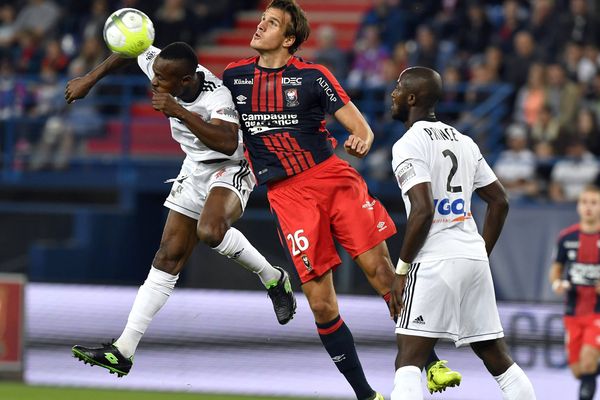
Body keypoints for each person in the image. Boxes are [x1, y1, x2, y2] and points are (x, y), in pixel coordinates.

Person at [222, 1, 460, 399]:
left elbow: (361, 128)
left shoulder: (314, 77)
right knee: (321, 305)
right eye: (262, 18)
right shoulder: (233, 77)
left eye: (272, 22)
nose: (261, 25)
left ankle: (432, 363)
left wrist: (362, 141)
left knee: (382, 274)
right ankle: (367, 395)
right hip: (287, 195)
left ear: (290, 38)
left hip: (332, 179)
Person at [64, 41, 296, 377]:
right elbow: (132, 48)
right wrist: (90, 78)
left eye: (163, 78)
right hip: (195, 168)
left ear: (186, 80)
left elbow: (229, 141)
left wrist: (179, 111)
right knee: (167, 257)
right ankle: (123, 350)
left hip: (230, 166)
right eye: (154, 73)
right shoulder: (165, 67)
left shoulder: (218, 96)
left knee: (210, 231)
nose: (154, 81)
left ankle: (272, 277)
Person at [388, 66, 536, 400]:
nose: (392, 95)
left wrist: (401, 270)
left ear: (412, 98)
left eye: (398, 89)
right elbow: (499, 201)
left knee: (408, 360)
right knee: (498, 359)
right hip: (471, 257)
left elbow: (423, 211)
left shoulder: (408, 144)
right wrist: (480, 252)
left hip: (434, 260)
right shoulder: (464, 141)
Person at [549, 185, 600, 400]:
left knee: (588, 360)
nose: (588, 207)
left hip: (597, 312)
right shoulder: (567, 237)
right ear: (578, 206)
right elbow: (556, 269)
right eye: (584, 202)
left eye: (594, 203)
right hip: (573, 312)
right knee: (578, 370)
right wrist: (557, 284)